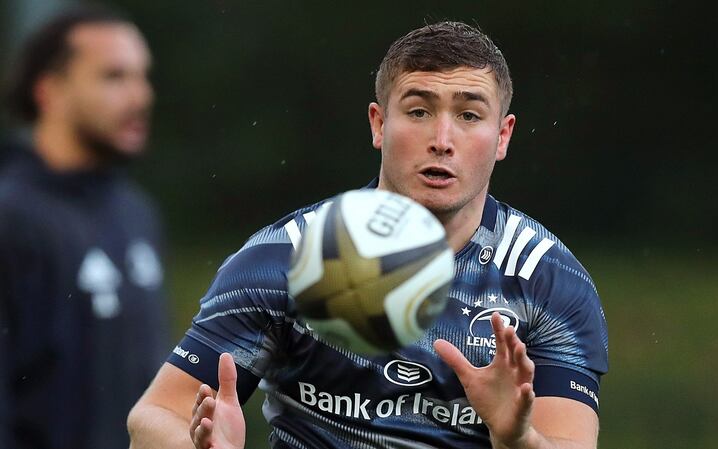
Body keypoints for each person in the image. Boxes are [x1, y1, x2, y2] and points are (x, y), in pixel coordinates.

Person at [128, 21, 608, 449]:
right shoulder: (289, 258)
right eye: (418, 111)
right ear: (379, 124)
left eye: (468, 115)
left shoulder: (548, 280)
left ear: (502, 136)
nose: (442, 138)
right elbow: (153, 417)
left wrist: (516, 437)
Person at [0, 6, 168, 449]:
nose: (140, 96)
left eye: (142, 76)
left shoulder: (137, 213)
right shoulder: (10, 217)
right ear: (49, 90)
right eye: (114, 77)